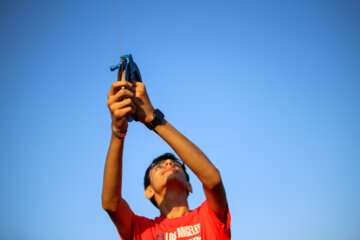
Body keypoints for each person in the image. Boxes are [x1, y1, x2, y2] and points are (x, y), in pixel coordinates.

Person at [102, 72, 231, 239]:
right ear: (148, 191)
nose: (169, 163)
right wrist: (118, 131)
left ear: (189, 186)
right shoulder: (142, 231)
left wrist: (152, 118)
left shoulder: (210, 216)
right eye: (158, 166)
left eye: (176, 164)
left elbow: (213, 180)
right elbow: (111, 204)